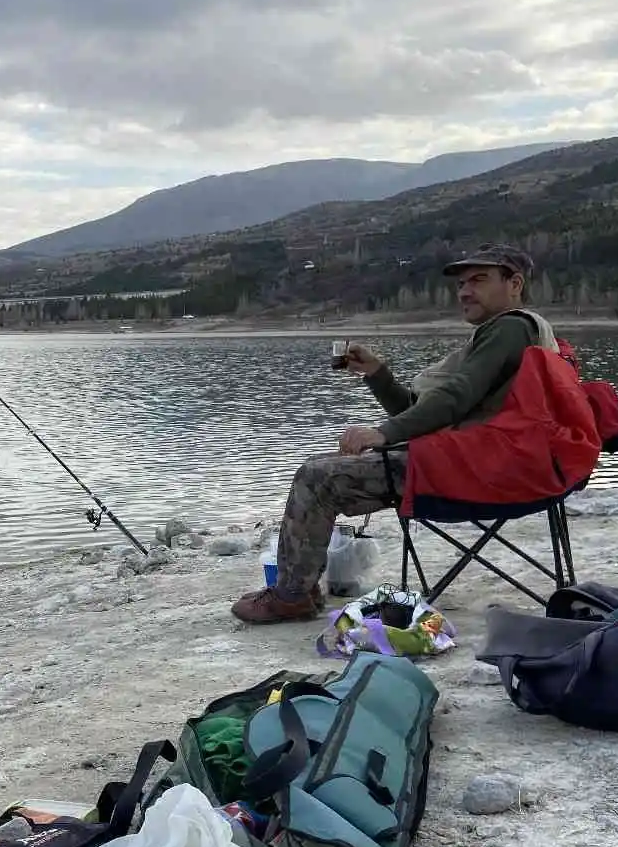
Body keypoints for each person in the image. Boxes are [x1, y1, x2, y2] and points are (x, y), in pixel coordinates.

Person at [232, 243, 541, 624]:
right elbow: (429, 411)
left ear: (515, 284)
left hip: (478, 472)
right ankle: (298, 588)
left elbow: (455, 399)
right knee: (322, 467)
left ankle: (292, 594)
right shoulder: (507, 334)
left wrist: (383, 433)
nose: (464, 291)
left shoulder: (510, 328)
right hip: (481, 461)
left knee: (317, 477)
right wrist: (377, 375)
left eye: (479, 280)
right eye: (461, 283)